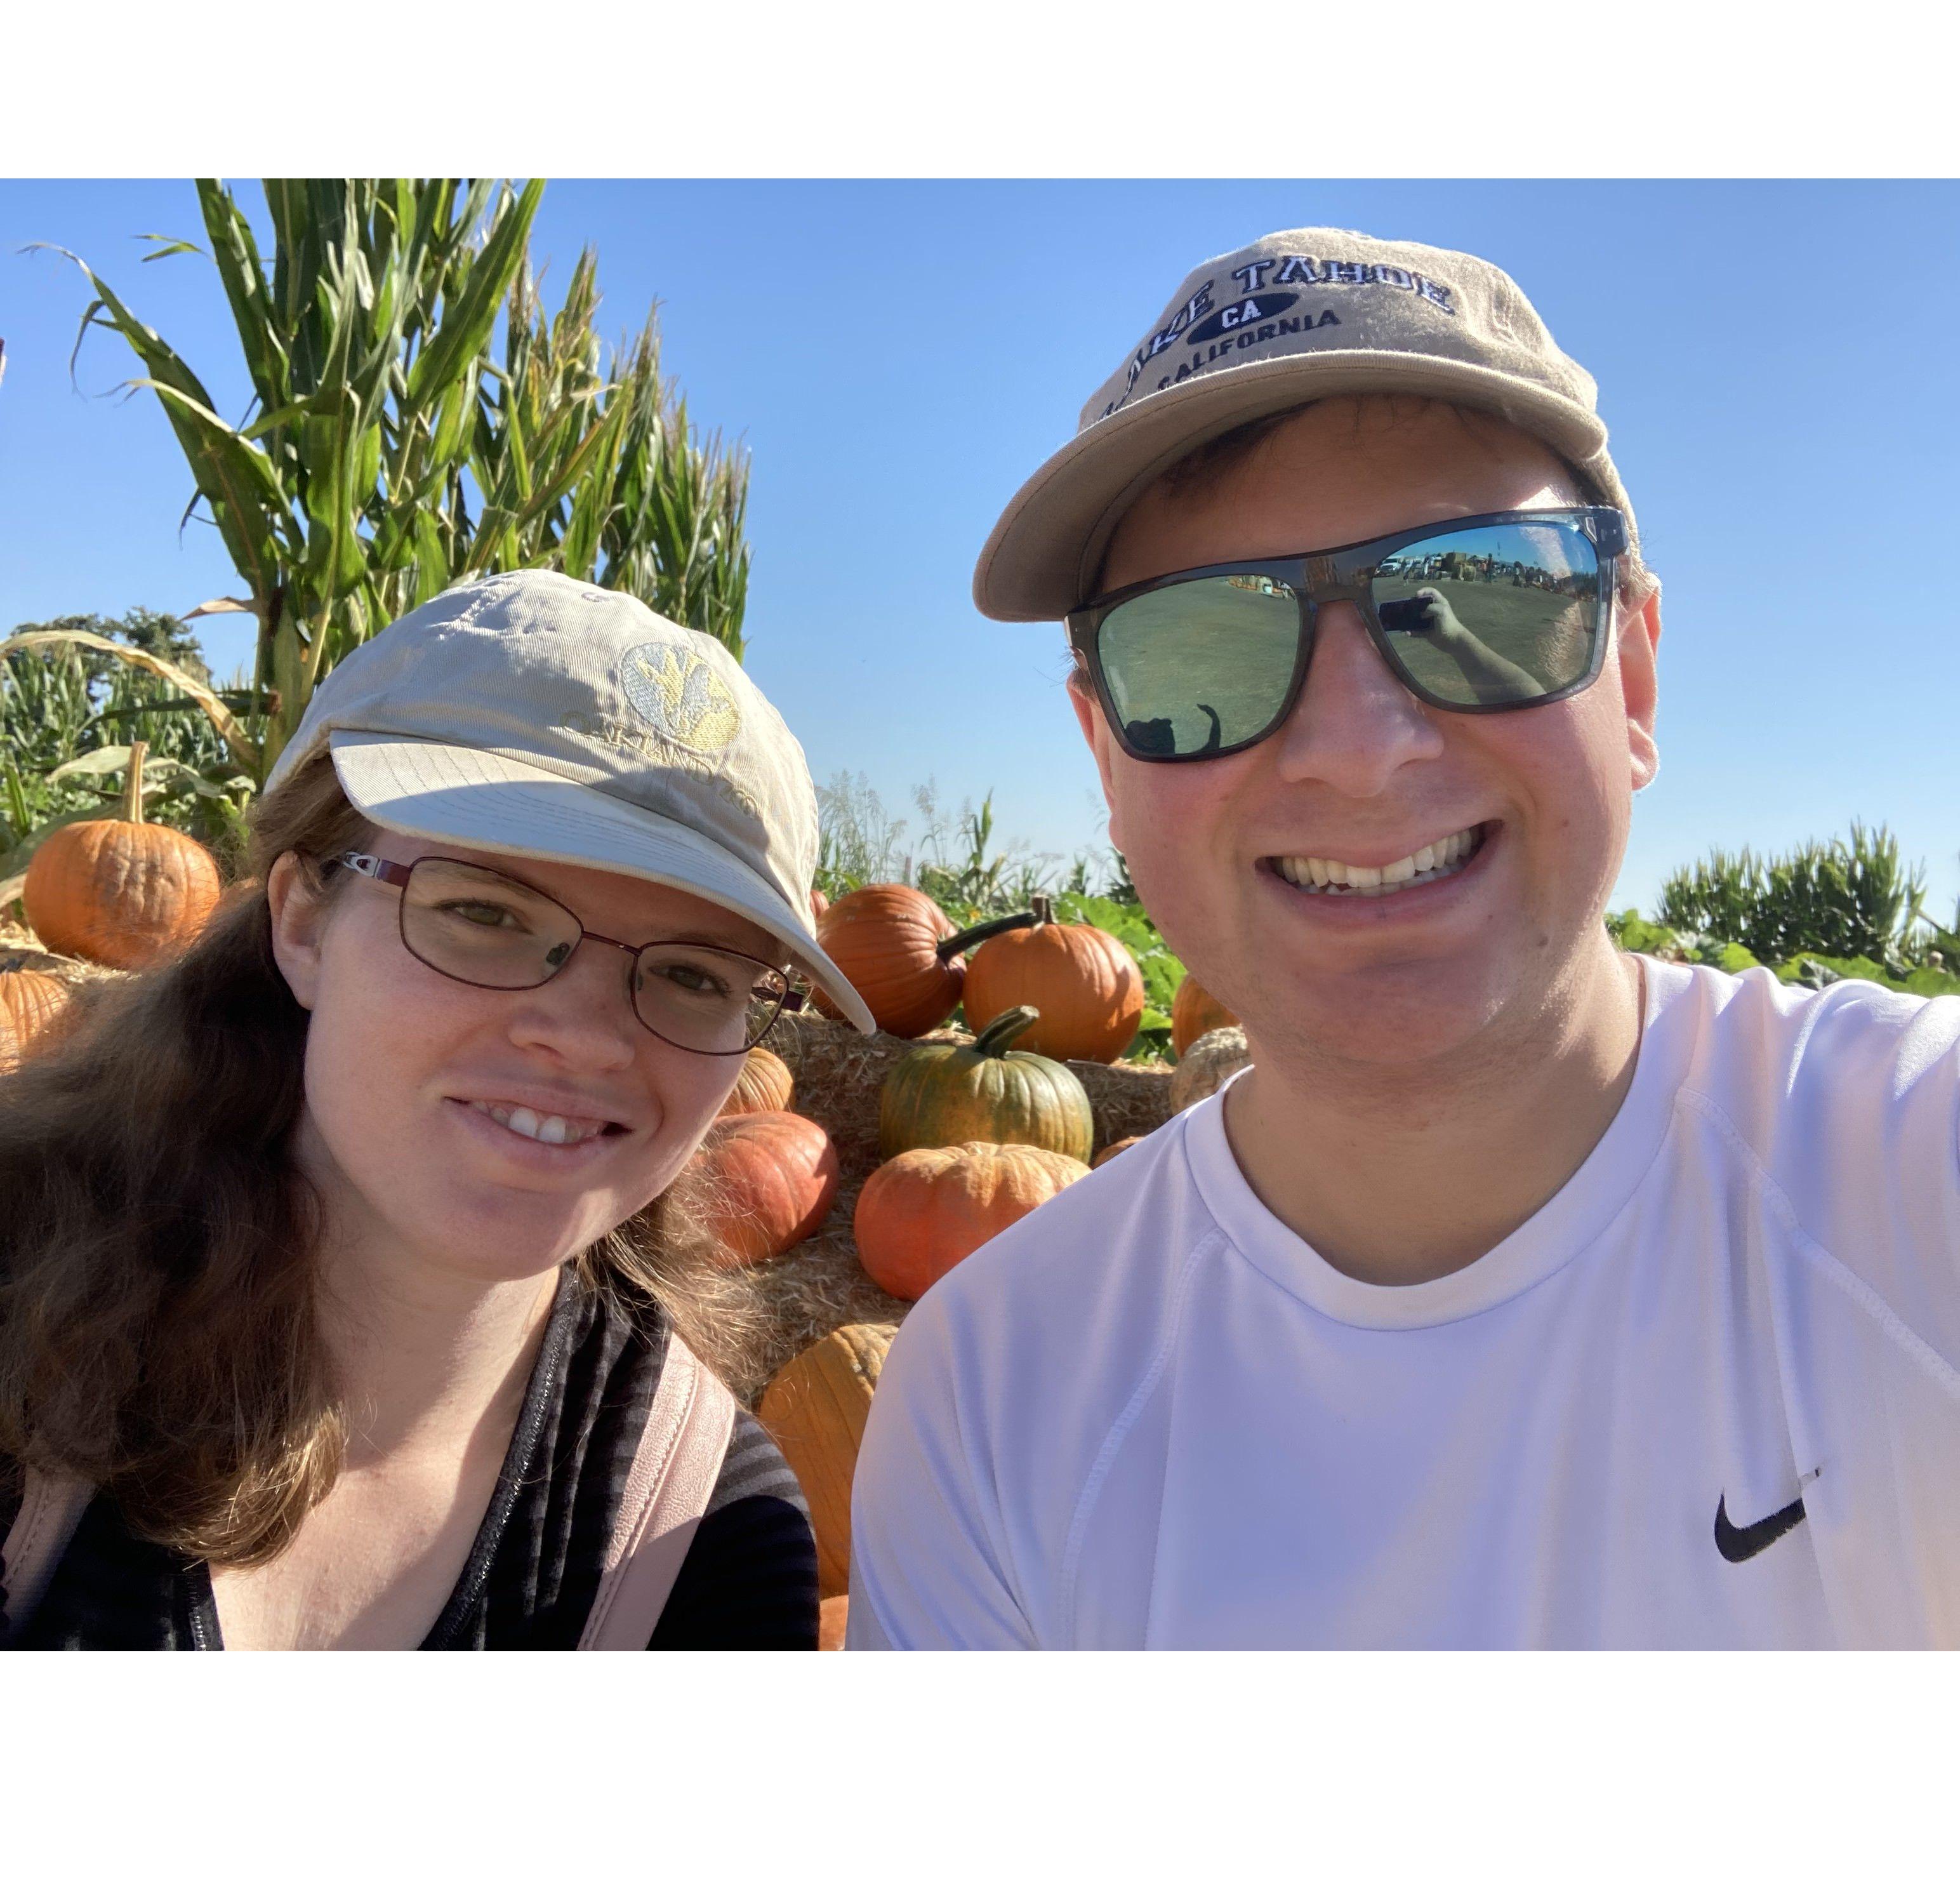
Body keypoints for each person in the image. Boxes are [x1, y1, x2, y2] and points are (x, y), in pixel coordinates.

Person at [847, 228, 1960, 1649]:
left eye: (1474, 593)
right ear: (1106, 761)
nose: (1356, 749)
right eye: (1197, 651)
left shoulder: (1908, 1176)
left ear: (1628, 672)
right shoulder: (992, 1395)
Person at [0, 569, 878, 1651]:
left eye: (695, 975)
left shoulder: (705, 1538)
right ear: (304, 922)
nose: (591, 1036)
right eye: (484, 911)